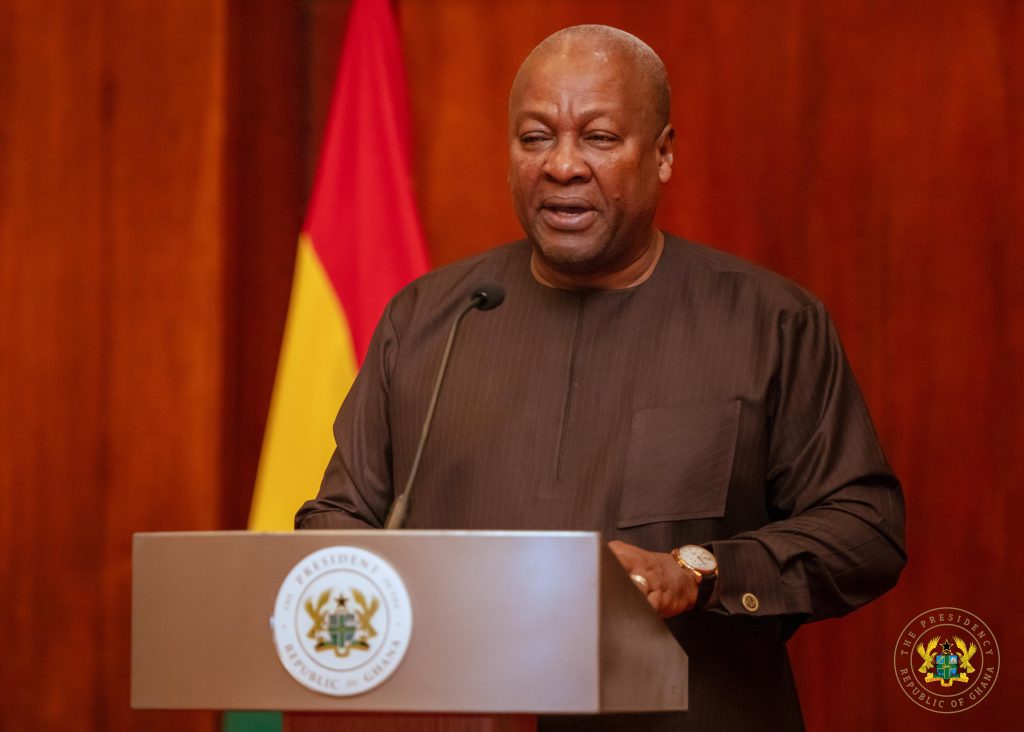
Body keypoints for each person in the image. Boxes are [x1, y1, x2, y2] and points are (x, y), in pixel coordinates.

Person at [296, 24, 905, 731]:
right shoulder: (433, 318)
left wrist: (700, 572)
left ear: (663, 153)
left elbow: (865, 529)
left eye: (599, 138)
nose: (562, 166)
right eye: (535, 138)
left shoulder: (769, 322)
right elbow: (335, 521)